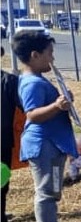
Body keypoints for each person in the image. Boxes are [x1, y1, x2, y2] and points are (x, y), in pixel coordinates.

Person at [14, 31, 77, 222]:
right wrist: (57, 106)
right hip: (44, 145)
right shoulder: (32, 83)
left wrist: (62, 101)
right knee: (46, 193)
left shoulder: (37, 79)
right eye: (49, 53)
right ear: (35, 55)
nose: (53, 58)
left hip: (53, 145)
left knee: (53, 190)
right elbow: (32, 114)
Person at [2, 46, 27, 222]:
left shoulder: (10, 81)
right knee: (1, 180)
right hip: (2, 140)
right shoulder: (9, 81)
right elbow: (25, 106)